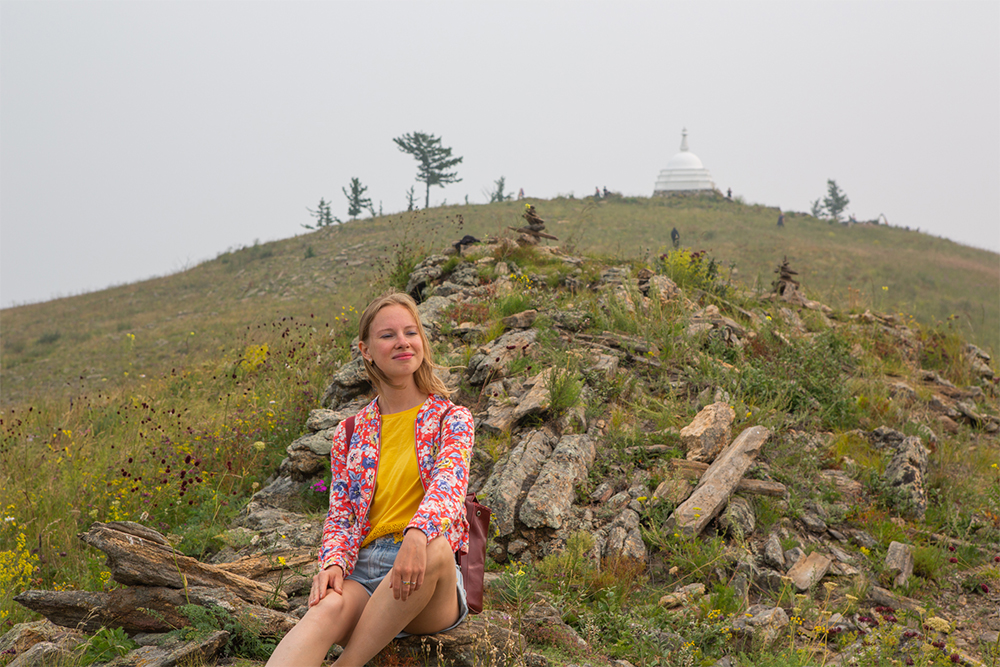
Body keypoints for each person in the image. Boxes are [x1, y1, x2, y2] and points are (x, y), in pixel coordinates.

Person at [266, 292, 474, 666]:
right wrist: (332, 562)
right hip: (364, 570)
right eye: (388, 335)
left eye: (411, 332)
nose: (402, 342)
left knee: (437, 548)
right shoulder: (349, 432)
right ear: (365, 350)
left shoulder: (451, 419)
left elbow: (449, 487)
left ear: (422, 342)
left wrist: (417, 534)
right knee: (323, 612)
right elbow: (341, 514)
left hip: (429, 582)